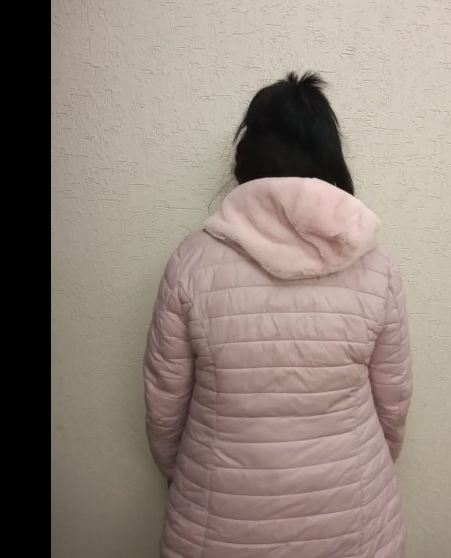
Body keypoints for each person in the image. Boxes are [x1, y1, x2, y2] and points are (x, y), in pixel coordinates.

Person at [143, 72, 413, 557]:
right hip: (353, 514)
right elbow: (392, 406)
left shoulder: (192, 261)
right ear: (330, 157)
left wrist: (189, 472)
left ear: (247, 156)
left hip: (220, 520)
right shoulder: (376, 266)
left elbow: (165, 409)